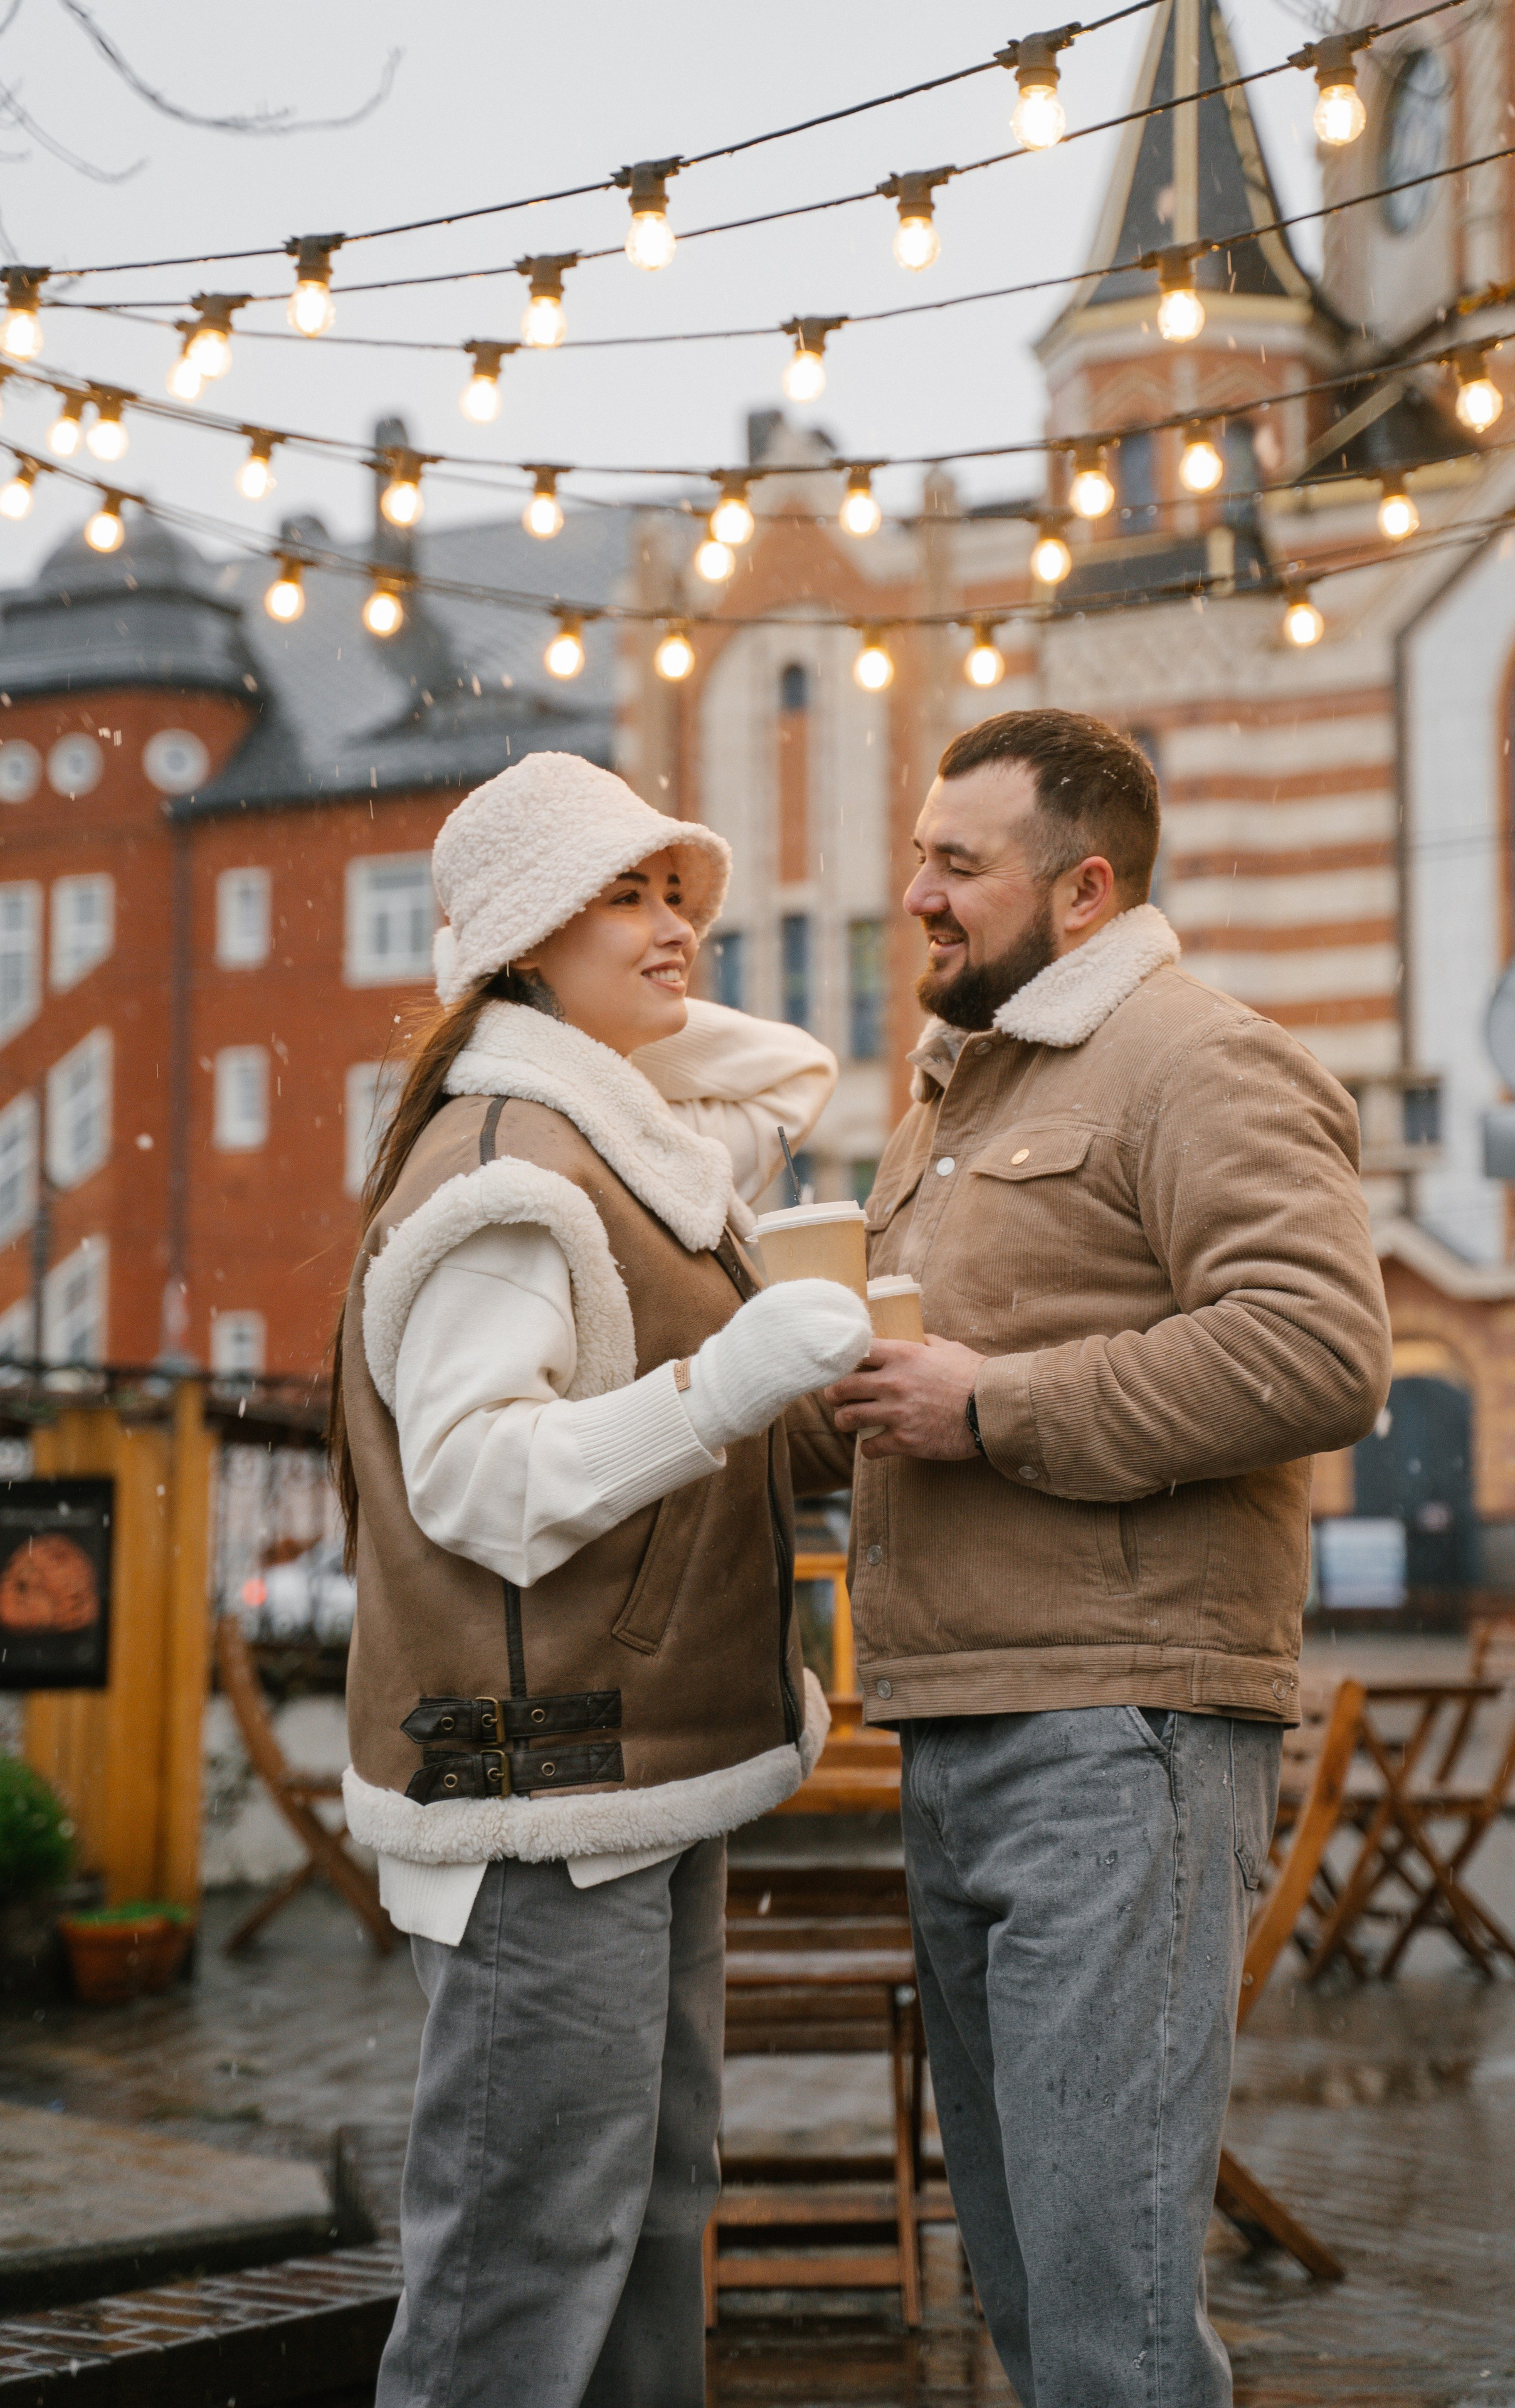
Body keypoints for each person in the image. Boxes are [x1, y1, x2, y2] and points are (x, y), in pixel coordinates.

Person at [794, 708, 1391, 2408]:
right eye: (917, 854)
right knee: (1031, 2297)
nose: (914, 892)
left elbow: (1318, 1351)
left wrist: (993, 1408)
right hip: (960, 1727)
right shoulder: (950, 1099)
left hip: (1117, 1740)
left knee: (1111, 2315)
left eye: (955, 863)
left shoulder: (1202, 1058)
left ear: (1085, 888)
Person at [331, 751, 872, 2408]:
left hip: (635, 1771)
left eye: (675, 894)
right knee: (525, 2264)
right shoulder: (511, 1173)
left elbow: (779, 1066)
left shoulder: (606, 1144)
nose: (675, 927)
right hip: (540, 1783)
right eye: (623, 895)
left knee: (643, 2223)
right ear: (517, 939)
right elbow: (478, 1482)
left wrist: (818, 1401)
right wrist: (729, 1387)